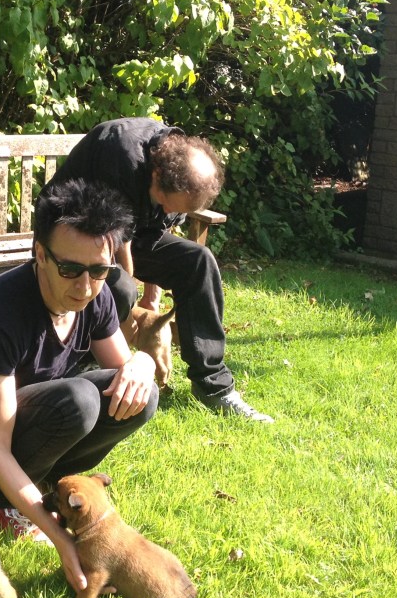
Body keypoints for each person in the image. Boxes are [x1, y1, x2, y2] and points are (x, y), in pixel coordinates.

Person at [0, 177, 159, 594]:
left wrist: (143, 362)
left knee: (142, 395)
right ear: (40, 255)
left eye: (99, 270)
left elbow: (122, 373)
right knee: (79, 401)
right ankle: (4, 503)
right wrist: (60, 536)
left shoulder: (96, 295)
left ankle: (47, 483)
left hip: (26, 420)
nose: (84, 286)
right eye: (69, 269)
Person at [41, 117, 274, 423]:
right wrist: (132, 304)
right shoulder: (122, 156)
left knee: (198, 261)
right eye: (166, 204)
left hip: (127, 232)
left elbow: (159, 230)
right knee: (120, 286)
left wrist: (152, 298)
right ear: (156, 175)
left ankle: (213, 385)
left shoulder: (176, 167)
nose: (168, 211)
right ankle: (84, 367)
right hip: (70, 233)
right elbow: (118, 240)